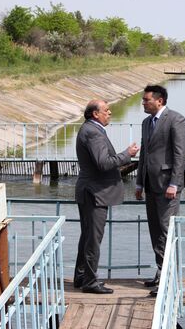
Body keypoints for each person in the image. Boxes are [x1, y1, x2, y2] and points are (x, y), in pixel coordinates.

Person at [74, 99, 139, 294]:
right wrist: (127, 154)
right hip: (95, 193)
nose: (109, 113)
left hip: (90, 191)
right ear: (95, 114)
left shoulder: (90, 129)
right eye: (106, 110)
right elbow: (103, 163)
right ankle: (90, 281)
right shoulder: (93, 132)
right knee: (93, 238)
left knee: (87, 236)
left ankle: (82, 276)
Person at [135, 85, 185, 295]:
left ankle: (168, 278)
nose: (143, 103)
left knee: (166, 231)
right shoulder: (146, 122)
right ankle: (160, 271)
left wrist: (174, 183)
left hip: (168, 186)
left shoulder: (176, 120)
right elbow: (144, 155)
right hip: (150, 184)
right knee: (155, 231)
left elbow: (179, 154)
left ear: (160, 100)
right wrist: (139, 182)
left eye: (146, 100)